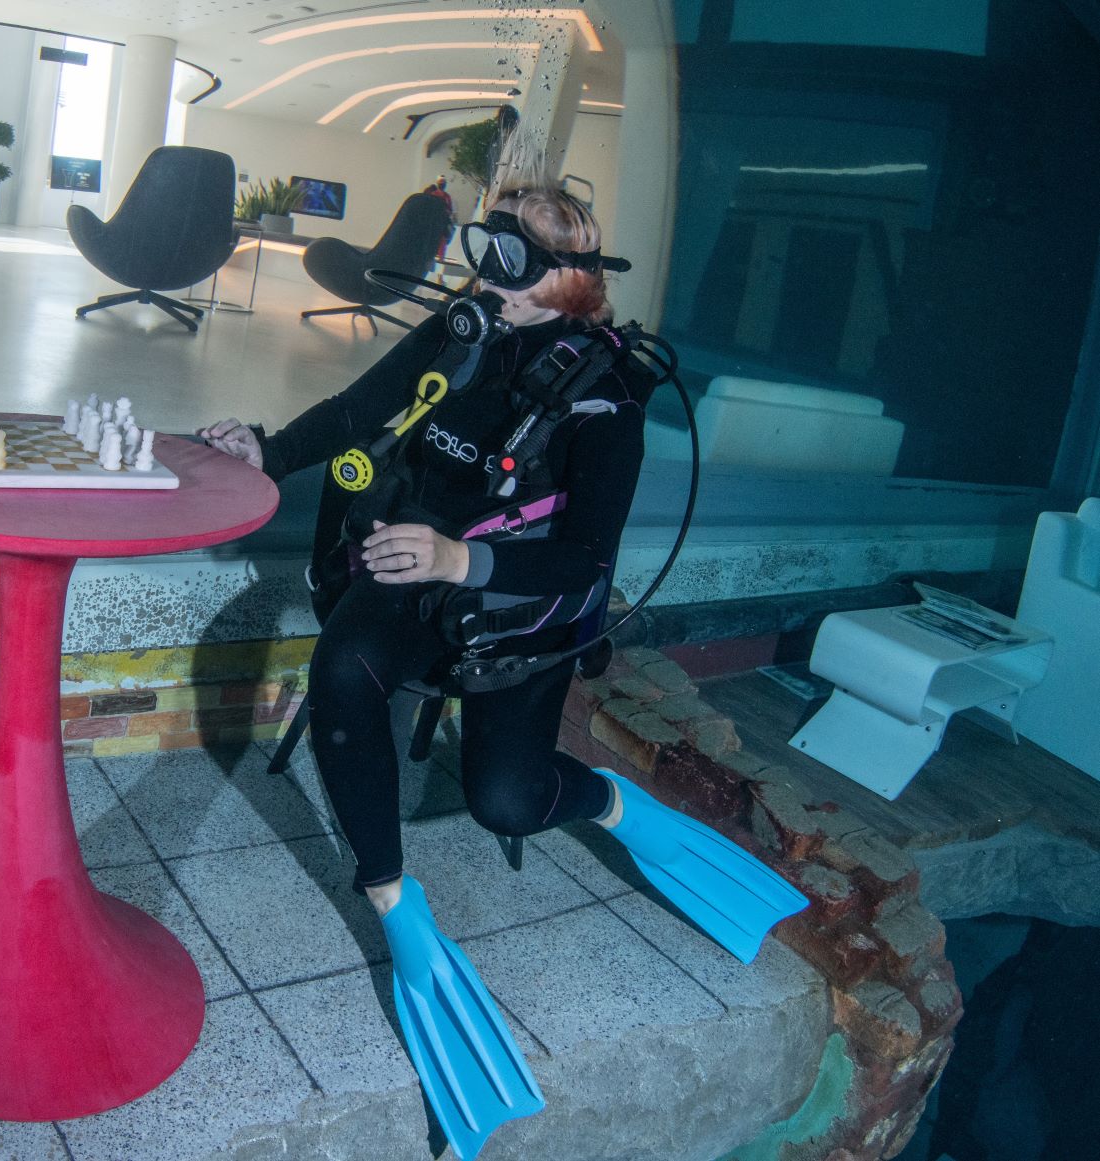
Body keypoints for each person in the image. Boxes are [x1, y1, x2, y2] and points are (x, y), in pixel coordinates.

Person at [201, 180, 807, 1160]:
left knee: (506, 801)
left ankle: (611, 805)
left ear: (563, 280)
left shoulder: (604, 397)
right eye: (482, 251)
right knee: (343, 667)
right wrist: (263, 452)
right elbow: (359, 409)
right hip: (405, 572)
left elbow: (586, 565)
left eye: (508, 261)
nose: (485, 278)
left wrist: (462, 560)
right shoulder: (457, 328)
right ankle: (394, 901)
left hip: (517, 603)